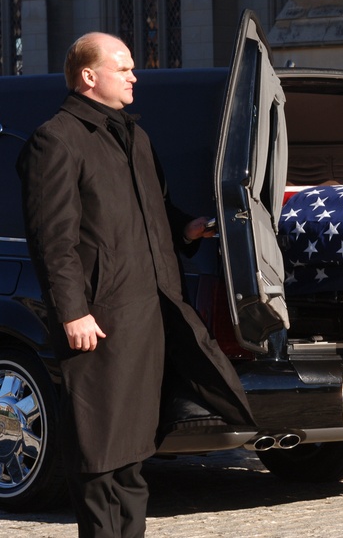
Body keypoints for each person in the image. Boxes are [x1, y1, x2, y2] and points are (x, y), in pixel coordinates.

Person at [16, 32, 254, 536]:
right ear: (88, 76)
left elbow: (155, 213)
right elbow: (52, 241)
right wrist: (72, 312)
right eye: (122, 68)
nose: (133, 75)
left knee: (134, 457)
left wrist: (188, 227)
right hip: (99, 320)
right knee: (100, 453)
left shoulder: (134, 136)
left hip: (150, 314)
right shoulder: (55, 139)